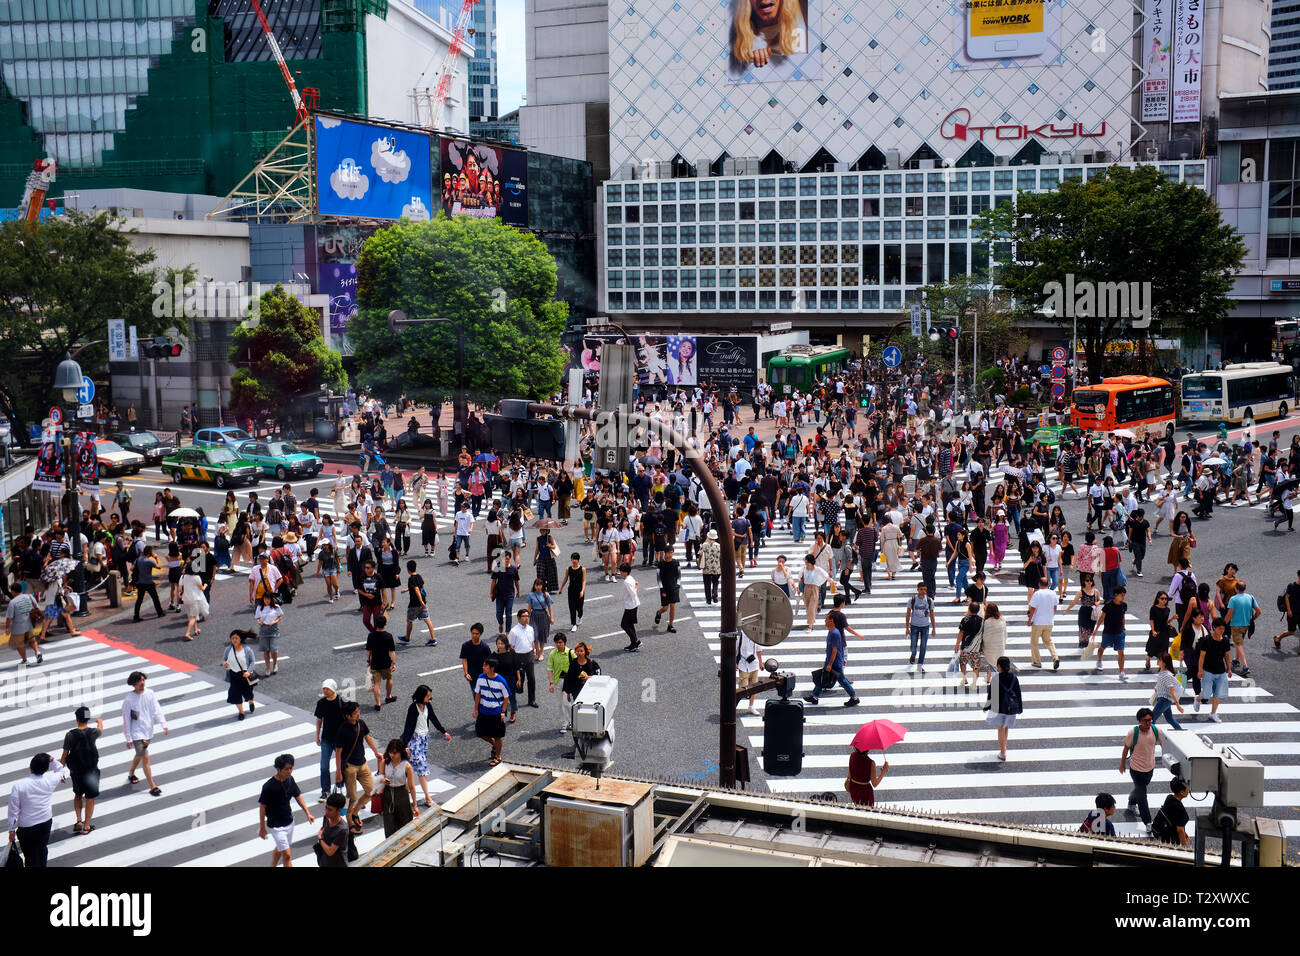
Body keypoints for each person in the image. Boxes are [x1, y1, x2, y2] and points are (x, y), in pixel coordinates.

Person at [6, 753, 68, 867]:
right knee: (42, 850)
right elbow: (61, 771)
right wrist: (53, 760)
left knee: (30, 855)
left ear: (31, 767)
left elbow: (13, 811)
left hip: (27, 827)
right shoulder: (50, 780)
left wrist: (11, 830)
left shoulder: (19, 786)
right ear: (45, 769)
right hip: (45, 822)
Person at [334, 701, 382, 833]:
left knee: (371, 790)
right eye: (355, 712)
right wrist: (338, 771)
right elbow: (338, 752)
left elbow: (367, 738)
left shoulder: (361, 723)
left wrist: (376, 752)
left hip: (363, 763)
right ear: (348, 716)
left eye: (358, 711)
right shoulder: (342, 730)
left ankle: (355, 812)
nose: (358, 714)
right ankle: (349, 821)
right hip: (349, 767)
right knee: (352, 796)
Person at [258, 754, 314, 867]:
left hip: (289, 821)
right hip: (276, 826)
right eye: (286, 769)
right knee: (287, 855)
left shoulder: (290, 780)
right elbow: (262, 807)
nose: (289, 771)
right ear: (278, 769)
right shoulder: (268, 787)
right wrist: (262, 827)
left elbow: (297, 796)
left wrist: (308, 813)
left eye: (291, 768)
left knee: (281, 848)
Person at [400, 685, 451, 807]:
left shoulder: (428, 706)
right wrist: (405, 744)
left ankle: (404, 789)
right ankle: (428, 798)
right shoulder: (413, 708)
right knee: (422, 768)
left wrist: (443, 731)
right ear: (421, 696)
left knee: (411, 767)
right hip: (414, 740)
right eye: (428, 696)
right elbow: (408, 727)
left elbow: (433, 719)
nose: (430, 698)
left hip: (424, 739)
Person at [122, 670, 168, 796]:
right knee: (145, 757)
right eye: (139, 681)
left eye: (143, 680)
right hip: (136, 733)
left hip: (148, 730)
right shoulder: (128, 700)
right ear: (133, 683)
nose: (142, 683)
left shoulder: (150, 693)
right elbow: (126, 719)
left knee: (140, 754)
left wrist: (163, 723)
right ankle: (152, 786)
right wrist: (128, 738)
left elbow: (156, 709)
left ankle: (131, 773)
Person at [60, 707, 103, 835]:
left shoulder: (70, 735)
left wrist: (60, 772)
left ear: (76, 719)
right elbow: (101, 728)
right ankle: (87, 826)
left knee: (78, 794)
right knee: (90, 798)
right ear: (88, 718)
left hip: (77, 771)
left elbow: (64, 755)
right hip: (91, 771)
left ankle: (79, 820)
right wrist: (99, 722)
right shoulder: (94, 732)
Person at [803, 610, 859, 707]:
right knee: (823, 677)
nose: (825, 621)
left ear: (831, 621)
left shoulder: (835, 633)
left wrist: (830, 664)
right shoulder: (831, 631)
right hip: (832, 660)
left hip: (834, 662)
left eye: (826, 619)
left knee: (842, 680)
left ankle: (854, 697)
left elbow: (835, 650)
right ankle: (814, 696)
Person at [1119, 707, 1159, 829]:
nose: (1148, 723)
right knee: (1142, 795)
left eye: (1150, 720)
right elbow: (1126, 747)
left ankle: (1131, 803)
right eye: (1145, 720)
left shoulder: (1155, 730)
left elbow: (1165, 743)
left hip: (1150, 768)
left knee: (1140, 789)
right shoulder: (1133, 732)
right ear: (1139, 721)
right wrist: (1122, 764)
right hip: (1136, 769)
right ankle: (1148, 822)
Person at [377, 739, 421, 837]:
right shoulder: (385, 762)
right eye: (390, 752)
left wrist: (415, 805)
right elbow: (380, 777)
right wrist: (383, 780)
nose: (392, 755)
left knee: (404, 823)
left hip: (402, 794)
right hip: (387, 794)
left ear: (400, 752)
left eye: (395, 753)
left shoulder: (407, 766)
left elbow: (412, 787)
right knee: (389, 824)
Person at [474, 655, 512, 766]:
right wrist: (476, 708)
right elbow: (478, 693)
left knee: (498, 735)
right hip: (483, 711)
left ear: (492, 668)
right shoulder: (481, 678)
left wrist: (502, 711)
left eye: (485, 666)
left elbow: (506, 697)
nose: (483, 667)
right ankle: (495, 745)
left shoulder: (501, 681)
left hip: (496, 712)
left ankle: (498, 756)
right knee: (480, 732)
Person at [1196, 616, 1233, 723]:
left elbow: (1227, 655)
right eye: (1219, 628)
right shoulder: (1207, 640)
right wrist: (1200, 670)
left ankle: (1213, 713)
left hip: (1221, 671)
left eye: (1223, 628)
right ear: (1214, 628)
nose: (1222, 630)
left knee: (1218, 694)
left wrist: (1229, 669)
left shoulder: (1225, 641)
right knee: (1206, 694)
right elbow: (1202, 656)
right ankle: (1198, 698)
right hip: (1208, 671)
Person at [986, 656, 1022, 761]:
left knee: (1000, 729)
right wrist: (1020, 707)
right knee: (1006, 728)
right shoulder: (1014, 678)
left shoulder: (996, 678)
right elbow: (1018, 693)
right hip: (1011, 707)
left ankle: (1002, 752)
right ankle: (1004, 749)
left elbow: (991, 695)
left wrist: (987, 706)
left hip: (1000, 708)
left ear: (999, 666)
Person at [1223, 580, 1260, 678]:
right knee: (1238, 642)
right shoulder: (1250, 597)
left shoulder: (1233, 599)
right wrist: (1252, 618)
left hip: (1236, 625)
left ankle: (1245, 666)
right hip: (1246, 625)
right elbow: (1259, 611)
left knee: (1238, 644)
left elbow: (1230, 613)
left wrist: (1223, 624)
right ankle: (1236, 660)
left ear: (1236, 589)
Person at [314, 679, 343, 802]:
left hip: (339, 740)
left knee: (340, 766)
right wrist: (317, 735)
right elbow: (319, 719)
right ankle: (325, 791)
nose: (325, 691)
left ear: (333, 689)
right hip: (326, 738)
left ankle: (339, 788)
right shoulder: (321, 703)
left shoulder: (341, 702)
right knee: (324, 766)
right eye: (324, 688)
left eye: (327, 689)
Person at [1026, 576, 1062, 670]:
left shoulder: (1037, 594)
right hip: (1049, 621)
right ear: (1048, 584)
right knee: (1048, 640)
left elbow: (1032, 608)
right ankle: (1055, 657)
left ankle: (1037, 661)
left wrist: (1030, 620)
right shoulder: (1053, 593)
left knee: (1034, 642)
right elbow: (1055, 608)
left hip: (1038, 621)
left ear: (1039, 584)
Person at [1095, 585, 1130, 680]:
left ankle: (1121, 672)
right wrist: (1096, 629)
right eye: (1121, 595)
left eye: (1124, 595)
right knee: (1102, 647)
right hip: (1108, 631)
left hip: (1120, 632)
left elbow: (1123, 616)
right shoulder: (1108, 605)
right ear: (1116, 595)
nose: (1123, 597)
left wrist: (1124, 627)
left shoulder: (1124, 605)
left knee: (1121, 652)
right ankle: (1099, 660)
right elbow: (1102, 617)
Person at [222, 629, 258, 720]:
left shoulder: (247, 649)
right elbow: (224, 659)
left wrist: (248, 672)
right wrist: (224, 664)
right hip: (234, 675)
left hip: (245, 675)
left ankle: (251, 701)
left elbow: (252, 661)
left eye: (236, 638)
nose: (234, 640)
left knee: (248, 692)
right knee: (235, 693)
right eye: (232, 638)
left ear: (240, 639)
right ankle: (241, 712)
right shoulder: (228, 649)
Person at [366, 612, 398, 711]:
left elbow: (368, 650)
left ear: (375, 623)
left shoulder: (371, 635)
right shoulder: (388, 636)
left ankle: (378, 703)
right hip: (386, 663)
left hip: (375, 663)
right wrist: (394, 663)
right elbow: (392, 651)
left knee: (376, 684)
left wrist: (368, 661)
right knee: (389, 679)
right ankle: (388, 696)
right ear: (385, 624)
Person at [5, 583, 41, 667]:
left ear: (13, 591)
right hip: (29, 624)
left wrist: (7, 628)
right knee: (32, 640)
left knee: (19, 644)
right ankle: (37, 652)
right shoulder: (29, 596)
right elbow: (37, 607)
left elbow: (9, 617)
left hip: (18, 627)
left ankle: (25, 660)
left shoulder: (12, 602)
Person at [401, 560, 435, 645]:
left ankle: (407, 638)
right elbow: (418, 586)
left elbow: (416, 589)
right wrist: (408, 589)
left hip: (414, 604)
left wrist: (420, 601)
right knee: (427, 620)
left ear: (408, 569)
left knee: (409, 620)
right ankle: (433, 639)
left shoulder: (411, 579)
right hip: (423, 602)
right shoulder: (419, 576)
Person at [1151, 778, 1191, 846]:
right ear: (1181, 792)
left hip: (1162, 831)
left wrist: (1184, 832)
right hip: (1170, 837)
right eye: (1187, 788)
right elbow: (1180, 830)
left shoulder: (1169, 798)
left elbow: (1173, 818)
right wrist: (1184, 847)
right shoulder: (1180, 809)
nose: (1189, 789)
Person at [954, 601, 986, 688]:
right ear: (979, 610)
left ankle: (964, 679)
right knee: (976, 665)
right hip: (977, 647)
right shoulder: (982, 621)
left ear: (969, 609)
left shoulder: (965, 619)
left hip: (966, 647)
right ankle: (974, 683)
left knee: (963, 662)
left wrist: (957, 644)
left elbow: (961, 633)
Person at [316, 792, 351, 867]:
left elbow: (330, 851)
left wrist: (320, 839)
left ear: (339, 810)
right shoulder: (326, 817)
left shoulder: (342, 829)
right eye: (326, 808)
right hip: (324, 861)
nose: (326, 812)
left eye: (330, 809)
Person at [1152, 653, 1185, 730]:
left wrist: (1178, 705)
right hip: (1164, 699)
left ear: (1164, 662)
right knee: (1169, 719)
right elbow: (1163, 683)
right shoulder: (1162, 672)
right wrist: (1157, 687)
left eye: (1159, 660)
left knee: (1151, 719)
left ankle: (1149, 738)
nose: (1157, 661)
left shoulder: (1166, 675)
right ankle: (1181, 731)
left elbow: (1172, 690)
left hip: (1164, 700)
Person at [133, 545, 165, 621]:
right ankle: (160, 612)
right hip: (149, 582)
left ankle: (136, 616)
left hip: (140, 582)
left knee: (139, 600)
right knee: (155, 598)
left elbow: (132, 568)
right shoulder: (149, 561)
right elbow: (159, 567)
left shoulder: (138, 559)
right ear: (149, 553)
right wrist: (156, 558)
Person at [654, 545, 682, 632]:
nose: (670, 555)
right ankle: (659, 613)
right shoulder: (660, 564)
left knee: (673, 606)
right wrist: (662, 589)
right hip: (664, 588)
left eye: (671, 553)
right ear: (665, 553)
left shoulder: (676, 563)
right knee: (665, 608)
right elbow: (658, 578)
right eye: (668, 553)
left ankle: (670, 625)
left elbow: (679, 575)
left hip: (674, 587)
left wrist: (678, 584)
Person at [737, 630, 764, 715]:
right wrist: (735, 662)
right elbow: (735, 649)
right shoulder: (740, 636)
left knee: (754, 686)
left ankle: (751, 706)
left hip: (754, 664)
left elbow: (759, 650)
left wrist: (760, 662)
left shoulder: (756, 635)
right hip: (743, 664)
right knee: (742, 688)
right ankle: (733, 704)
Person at [1273, 568, 1300, 653]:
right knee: (1291, 631)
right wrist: (1289, 610)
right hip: (1293, 613)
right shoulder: (1291, 586)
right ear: (1298, 576)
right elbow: (1287, 597)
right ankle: (1278, 638)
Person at [560, 553, 586, 629]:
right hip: (571, 590)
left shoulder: (583, 569)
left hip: (579, 591)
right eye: (573, 559)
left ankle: (580, 616)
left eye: (575, 559)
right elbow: (565, 578)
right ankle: (574, 624)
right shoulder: (568, 569)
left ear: (578, 560)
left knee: (579, 607)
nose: (574, 560)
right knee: (572, 607)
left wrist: (582, 591)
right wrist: (561, 588)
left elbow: (584, 581)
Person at [619, 563, 642, 651]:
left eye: (621, 571)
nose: (620, 573)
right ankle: (634, 643)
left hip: (630, 606)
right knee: (630, 624)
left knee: (624, 624)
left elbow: (633, 593)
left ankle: (635, 642)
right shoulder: (630, 578)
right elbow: (636, 584)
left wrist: (630, 599)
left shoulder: (626, 581)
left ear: (625, 572)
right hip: (634, 604)